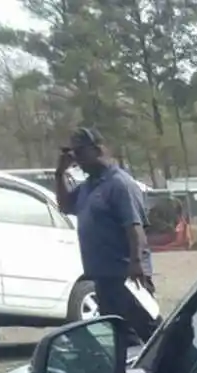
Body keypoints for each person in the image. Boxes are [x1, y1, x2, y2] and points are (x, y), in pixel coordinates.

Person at [55, 127, 158, 343]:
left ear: (98, 149)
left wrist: (137, 264)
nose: (78, 161)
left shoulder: (119, 184)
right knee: (121, 337)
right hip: (103, 278)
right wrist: (60, 173)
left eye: (81, 154)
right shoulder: (88, 187)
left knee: (150, 333)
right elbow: (64, 205)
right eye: (74, 156)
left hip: (127, 277)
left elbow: (134, 227)